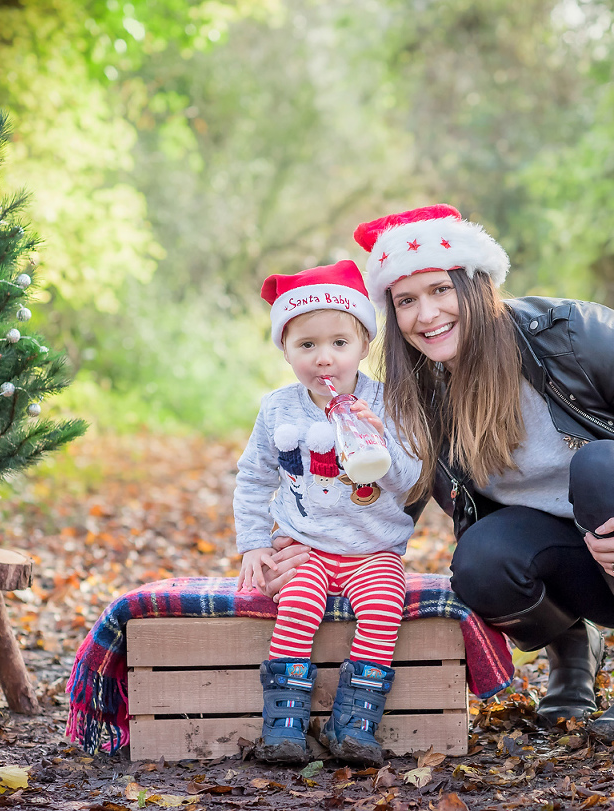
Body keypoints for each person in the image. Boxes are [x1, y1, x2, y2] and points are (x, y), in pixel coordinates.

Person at [341, 204, 614, 739]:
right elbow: (394, 497)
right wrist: (308, 542)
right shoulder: (419, 393)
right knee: (481, 561)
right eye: (406, 301)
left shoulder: (576, 337)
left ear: (478, 284)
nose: (426, 315)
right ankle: (572, 650)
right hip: (588, 568)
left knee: (600, 464)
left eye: (441, 290)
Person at [234, 260, 422, 765]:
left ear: (364, 346)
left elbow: (409, 483)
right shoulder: (279, 409)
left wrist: (380, 439)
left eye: (340, 343)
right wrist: (253, 542)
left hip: (373, 548)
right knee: (297, 606)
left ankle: (355, 722)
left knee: (384, 609)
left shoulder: (389, 404)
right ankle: (285, 725)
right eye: (307, 345)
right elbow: (254, 478)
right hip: (305, 548)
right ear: (287, 351)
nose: (325, 359)